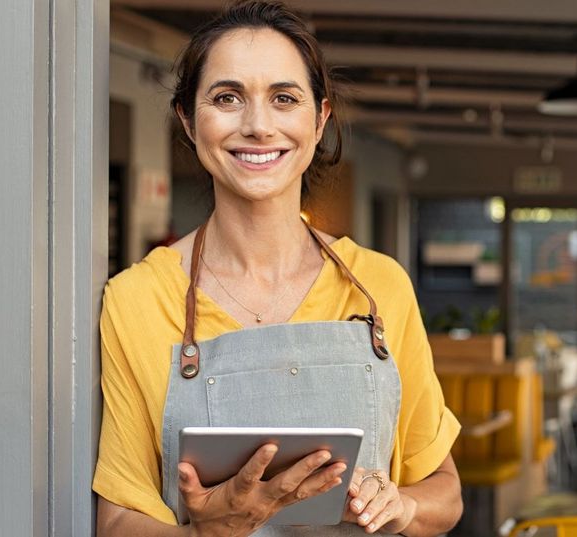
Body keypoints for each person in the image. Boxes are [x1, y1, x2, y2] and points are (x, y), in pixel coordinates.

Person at [93, 3, 462, 536]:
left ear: (319, 119)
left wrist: (402, 506)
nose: (258, 125)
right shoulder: (138, 299)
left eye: (284, 99)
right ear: (188, 120)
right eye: (226, 98)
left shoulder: (381, 287)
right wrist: (206, 533)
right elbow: (118, 521)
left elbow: (444, 492)